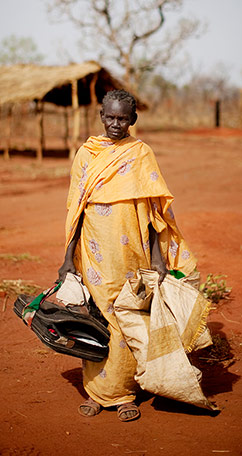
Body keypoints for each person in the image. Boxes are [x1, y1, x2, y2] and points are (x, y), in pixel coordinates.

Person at [58, 89, 198, 421]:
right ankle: (96, 393)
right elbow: (75, 211)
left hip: (133, 252)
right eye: (110, 117)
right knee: (97, 320)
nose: (115, 123)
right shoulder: (87, 154)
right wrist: (67, 258)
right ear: (101, 115)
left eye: (123, 118)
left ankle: (125, 395)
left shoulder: (140, 153)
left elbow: (153, 212)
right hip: (94, 253)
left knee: (129, 320)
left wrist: (158, 258)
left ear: (133, 120)